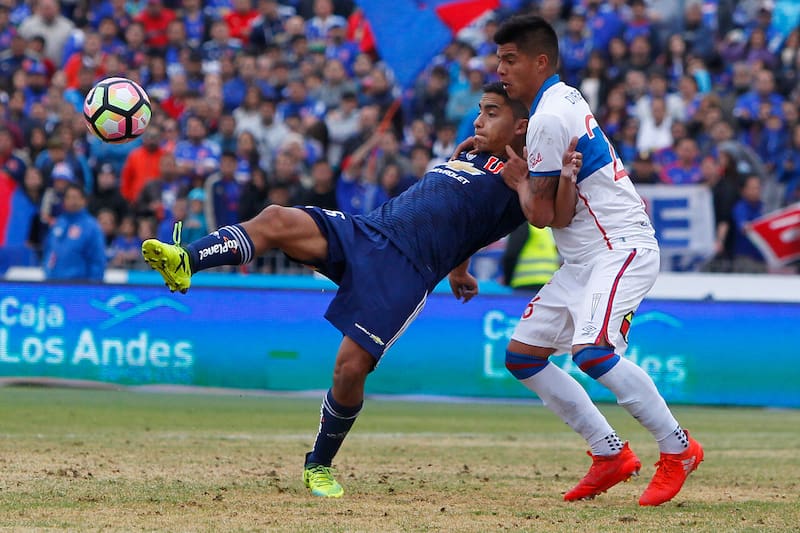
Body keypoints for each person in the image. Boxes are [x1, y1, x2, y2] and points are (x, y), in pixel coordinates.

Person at [141, 82, 575, 498]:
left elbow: (542, 216)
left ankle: (319, 464)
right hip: (370, 231)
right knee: (275, 218)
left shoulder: (527, 175)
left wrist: (523, 181)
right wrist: (460, 269)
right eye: (480, 110)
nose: (478, 120)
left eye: (491, 113)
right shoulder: (473, 155)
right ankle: (186, 260)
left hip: (405, 270)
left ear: (522, 126)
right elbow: (466, 221)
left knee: (350, 369)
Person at [491, 15, 703, 507]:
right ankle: (610, 453)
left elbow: (542, 216)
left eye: (509, 59)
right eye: (499, 59)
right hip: (586, 257)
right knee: (522, 356)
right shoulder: (563, 97)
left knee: (593, 352)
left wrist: (518, 180)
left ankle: (679, 448)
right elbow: (560, 205)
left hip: (619, 247)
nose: (501, 69)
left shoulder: (547, 115)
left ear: (539, 60)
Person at [43, 182, 106, 281]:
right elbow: (48, 250)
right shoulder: (59, 223)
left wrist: (94, 287)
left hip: (79, 287)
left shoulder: (91, 227)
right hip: (53, 285)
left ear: (84, 200)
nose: (71, 201)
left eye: (75, 197)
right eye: (68, 197)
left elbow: (97, 261)